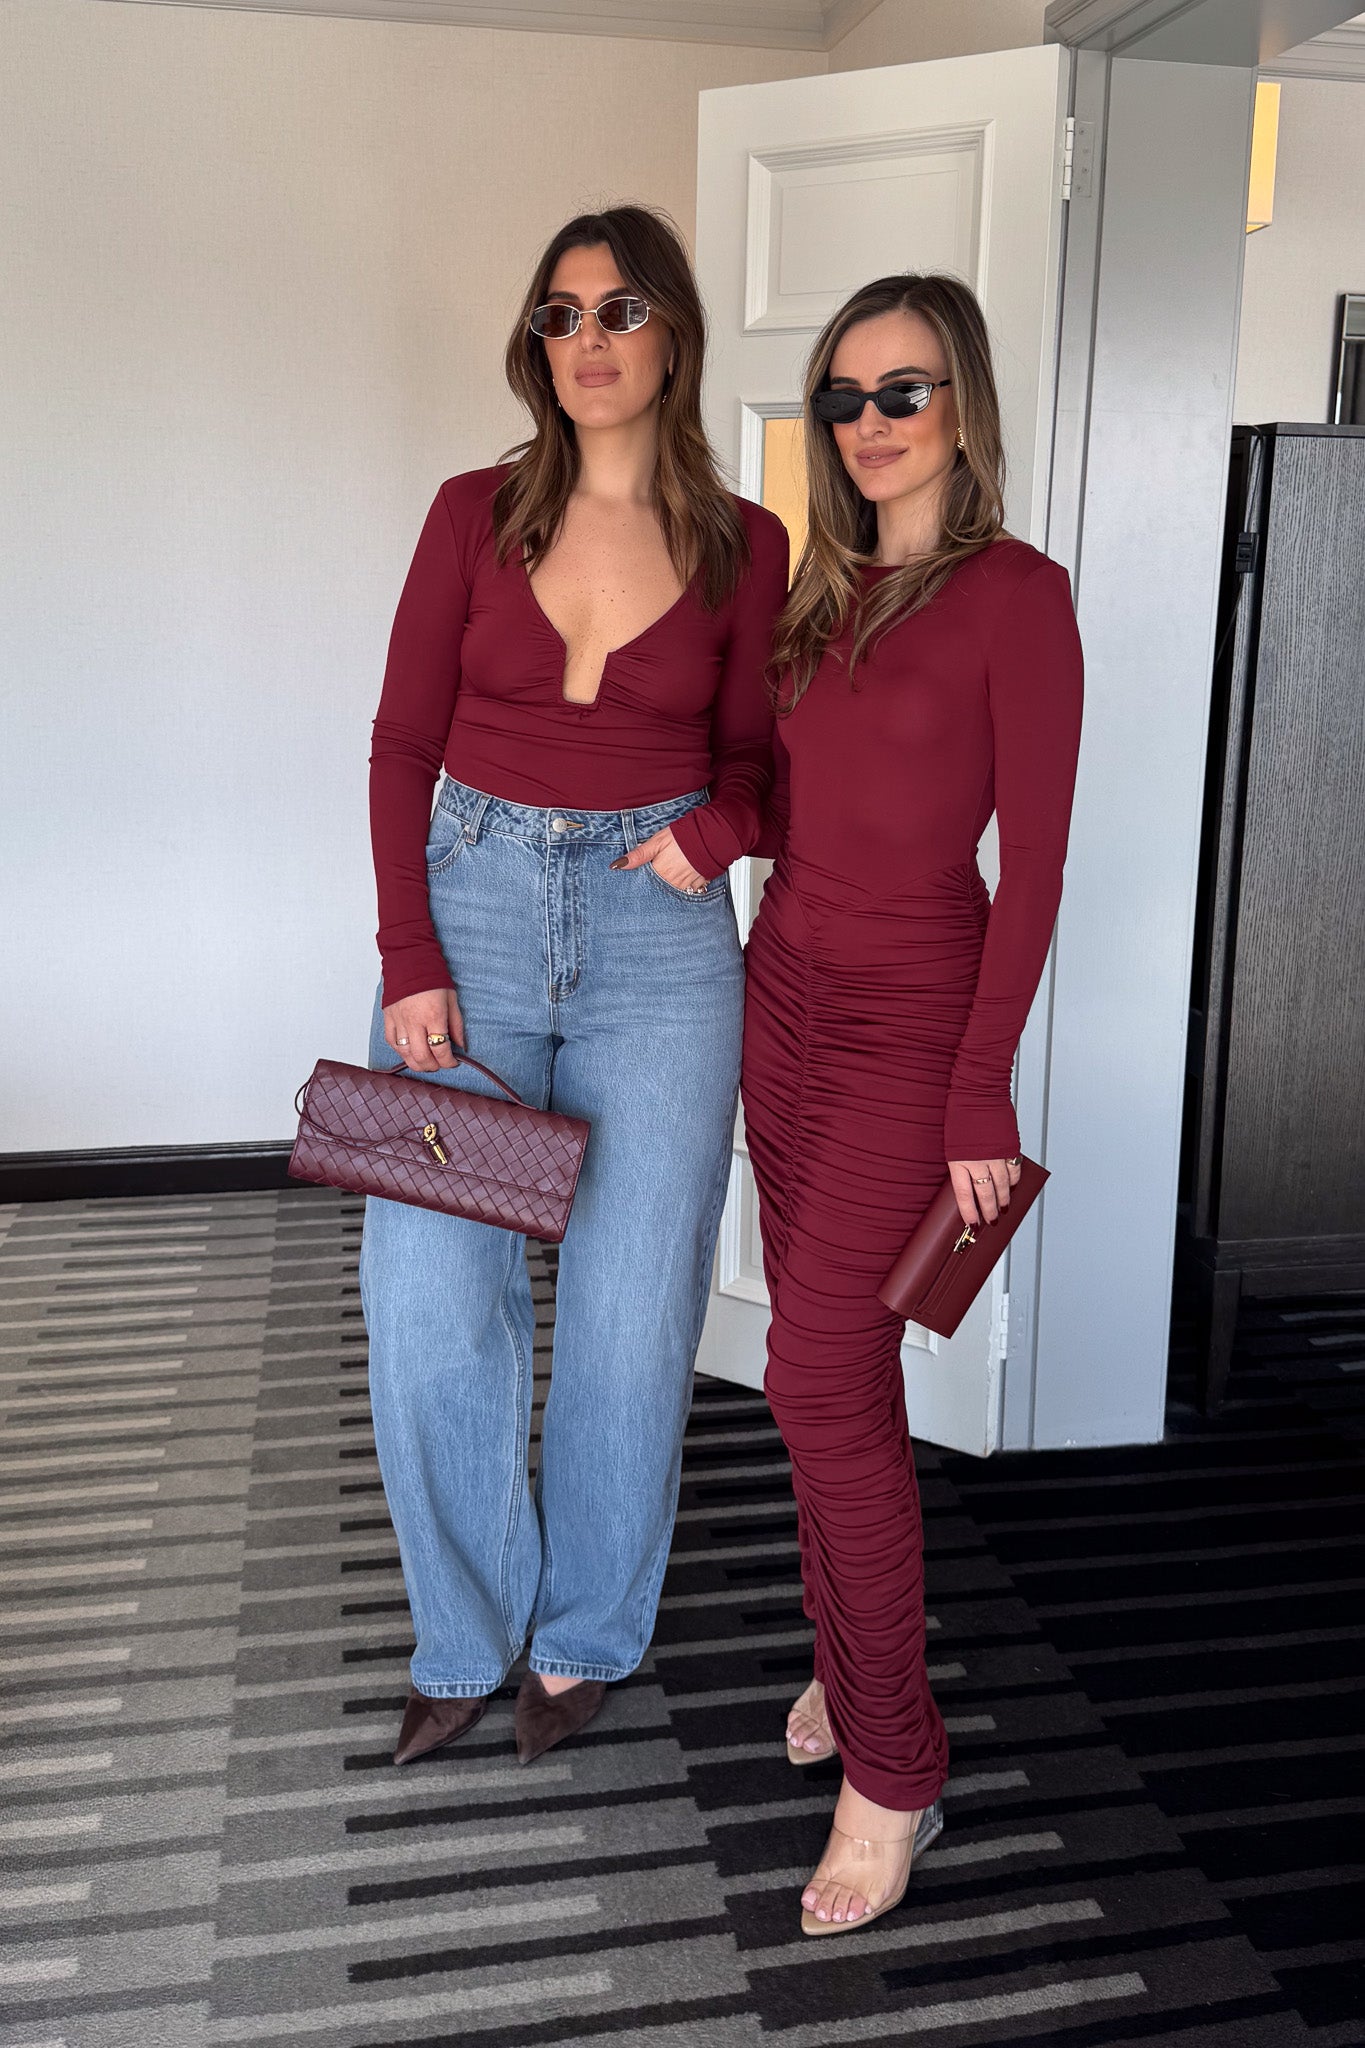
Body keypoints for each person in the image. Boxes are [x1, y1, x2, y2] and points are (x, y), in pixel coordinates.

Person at [361, 204, 789, 1769]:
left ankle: (586, 1633)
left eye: (617, 311)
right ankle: (464, 1635)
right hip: (468, 923)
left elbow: (759, 763)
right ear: (536, 344)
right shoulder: (470, 510)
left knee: (628, 1309)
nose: (589, 343)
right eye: (560, 315)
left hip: (656, 953)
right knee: (431, 1304)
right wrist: (411, 957)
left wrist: (715, 837)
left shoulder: (750, 544)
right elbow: (401, 743)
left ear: (670, 331)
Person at [742, 274, 1083, 1933]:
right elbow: (774, 793)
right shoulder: (813, 597)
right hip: (777, 1002)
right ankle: (844, 1657)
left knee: (811, 1373)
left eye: (904, 391)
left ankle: (897, 1764)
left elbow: (1031, 874)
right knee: (830, 1369)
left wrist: (976, 1089)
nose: (871, 425)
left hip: (909, 1027)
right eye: (845, 400)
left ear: (963, 403)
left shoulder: (1018, 596)